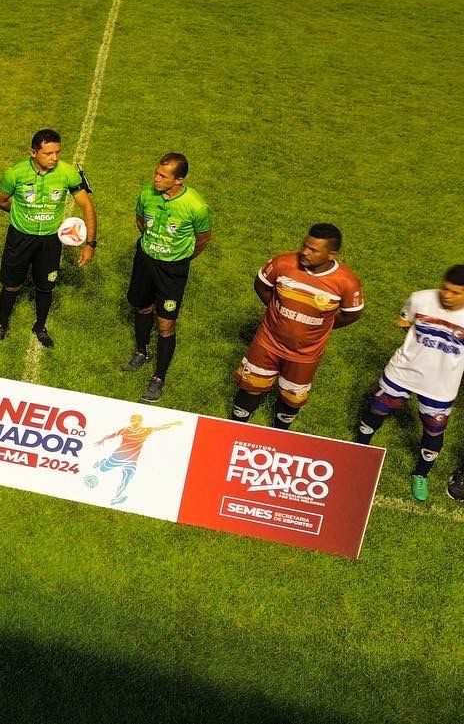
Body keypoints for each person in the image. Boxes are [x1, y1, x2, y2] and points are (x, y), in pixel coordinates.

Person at [230, 223, 364, 429]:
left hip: (306, 354)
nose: (305, 252)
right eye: (305, 245)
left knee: (291, 397)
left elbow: (352, 314)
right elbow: (261, 286)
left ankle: (279, 434)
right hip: (268, 342)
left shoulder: (346, 282)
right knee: (251, 387)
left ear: (332, 254)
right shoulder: (283, 263)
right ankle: (235, 428)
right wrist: (279, 311)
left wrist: (322, 325)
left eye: (313, 250)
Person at [354, 265, 464, 502]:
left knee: (434, 429)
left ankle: (421, 474)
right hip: (402, 371)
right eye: (445, 288)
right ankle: (359, 452)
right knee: (377, 409)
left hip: (441, 385)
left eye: (455, 293)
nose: (447, 295)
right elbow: (404, 323)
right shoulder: (421, 299)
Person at [0, 128, 96, 347]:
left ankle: (40, 327)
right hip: (20, 238)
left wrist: (90, 244)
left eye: (57, 152)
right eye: (48, 153)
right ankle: (2, 323)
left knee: (46, 286)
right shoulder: (15, 174)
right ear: (33, 152)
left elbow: (87, 206)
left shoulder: (67, 173)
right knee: (11, 285)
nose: (54, 158)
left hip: (50, 241)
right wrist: (21, 213)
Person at [121, 153, 213, 403]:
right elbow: (141, 221)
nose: (156, 179)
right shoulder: (147, 194)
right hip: (145, 261)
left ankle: (159, 377)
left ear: (179, 180)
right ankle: (141, 352)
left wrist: (180, 258)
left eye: (163, 176)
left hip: (172, 270)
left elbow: (203, 238)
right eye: (156, 173)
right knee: (142, 307)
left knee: (165, 323)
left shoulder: (195, 206)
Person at [86, 415, 182, 506]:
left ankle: (117, 497)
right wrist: (102, 440)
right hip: (118, 456)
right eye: (132, 421)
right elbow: (113, 435)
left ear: (140, 422)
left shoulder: (146, 430)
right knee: (103, 469)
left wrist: (173, 424)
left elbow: (160, 427)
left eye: (135, 421)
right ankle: (102, 462)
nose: (133, 423)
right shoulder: (126, 430)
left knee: (127, 478)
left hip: (132, 460)